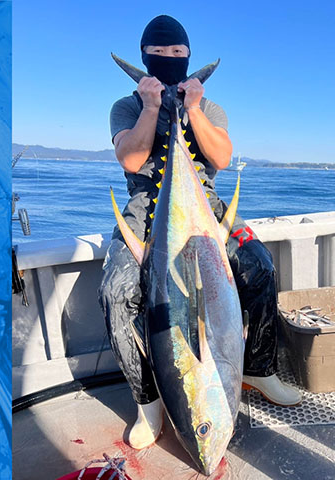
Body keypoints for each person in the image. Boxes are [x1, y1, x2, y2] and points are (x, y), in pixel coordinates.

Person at [99, 14, 301, 450]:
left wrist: (190, 108)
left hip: (205, 204)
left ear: (188, 55)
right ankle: (149, 402)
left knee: (260, 267)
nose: (168, 57)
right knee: (116, 291)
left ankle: (259, 369)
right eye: (158, 52)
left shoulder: (208, 106)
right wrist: (151, 107)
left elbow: (222, 158)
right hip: (144, 210)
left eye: (176, 52)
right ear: (143, 56)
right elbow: (131, 160)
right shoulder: (126, 106)